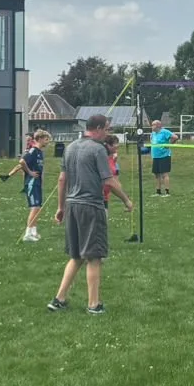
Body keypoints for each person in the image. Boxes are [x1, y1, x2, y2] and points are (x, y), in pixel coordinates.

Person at [49, 113, 132, 314]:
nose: (108, 133)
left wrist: (61, 207)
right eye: (108, 129)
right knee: (94, 257)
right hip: (91, 206)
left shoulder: (70, 148)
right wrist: (127, 200)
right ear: (99, 128)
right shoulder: (98, 150)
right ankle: (94, 305)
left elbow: (62, 180)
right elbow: (109, 181)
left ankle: (59, 299)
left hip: (72, 205)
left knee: (76, 255)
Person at [21, 130, 50, 242]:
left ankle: (34, 231)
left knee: (38, 207)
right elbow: (22, 161)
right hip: (32, 182)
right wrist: (30, 172)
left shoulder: (40, 152)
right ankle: (27, 234)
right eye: (46, 139)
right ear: (40, 139)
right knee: (35, 207)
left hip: (37, 183)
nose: (47, 142)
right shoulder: (33, 151)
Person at [149, 117, 176, 196]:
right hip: (155, 156)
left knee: (164, 174)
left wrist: (169, 144)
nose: (151, 127)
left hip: (164, 156)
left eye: (153, 125)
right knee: (157, 174)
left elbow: (175, 137)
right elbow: (152, 141)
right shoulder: (153, 133)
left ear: (158, 125)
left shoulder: (164, 132)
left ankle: (167, 192)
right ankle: (158, 192)